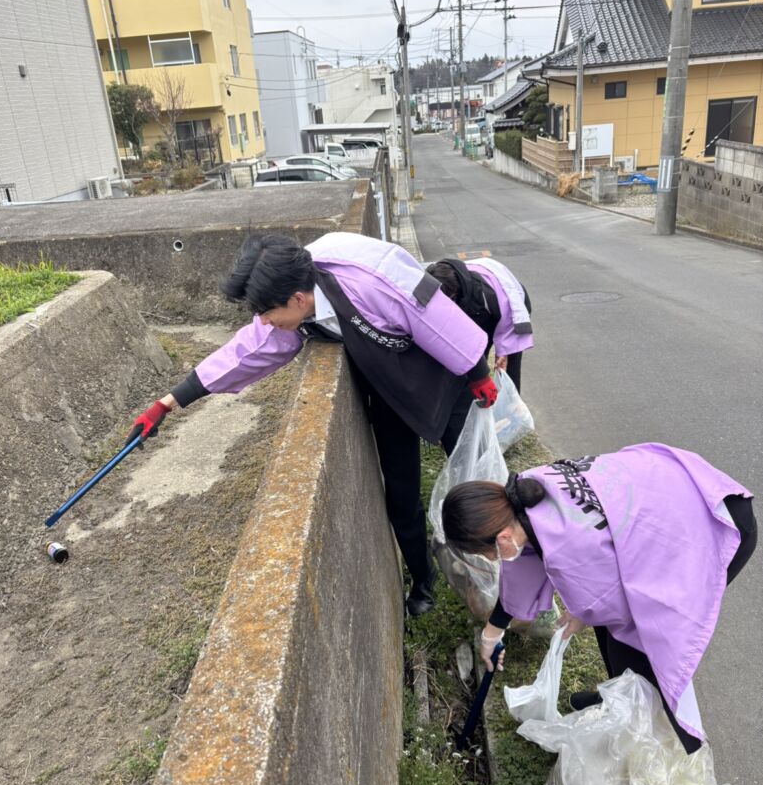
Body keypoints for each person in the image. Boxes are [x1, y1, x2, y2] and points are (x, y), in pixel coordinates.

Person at [126, 230, 498, 616]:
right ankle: (423, 582)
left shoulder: (370, 281)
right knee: (401, 493)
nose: (265, 322)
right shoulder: (294, 303)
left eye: (268, 314)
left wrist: (477, 373)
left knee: (471, 466)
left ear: (297, 299)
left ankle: (496, 552)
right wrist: (168, 403)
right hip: (388, 383)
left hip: (443, 365)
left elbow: (435, 315)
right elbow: (246, 352)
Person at [441, 443, 756, 753]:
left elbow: (621, 608)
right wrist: (492, 631)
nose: (491, 560)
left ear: (502, 538)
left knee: (641, 644)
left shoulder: (571, 546)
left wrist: (584, 613)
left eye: (486, 554)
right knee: (610, 630)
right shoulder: (524, 494)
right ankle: (617, 697)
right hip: (672, 492)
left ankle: (654, 747)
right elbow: (525, 566)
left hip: (714, 522)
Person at [425, 256, 533, 455]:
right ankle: (468, 427)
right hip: (484, 307)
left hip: (512, 308)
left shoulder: (483, 298)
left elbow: (475, 350)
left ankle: (509, 426)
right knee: (468, 372)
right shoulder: (437, 283)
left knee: (507, 372)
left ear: (453, 294)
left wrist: (504, 351)